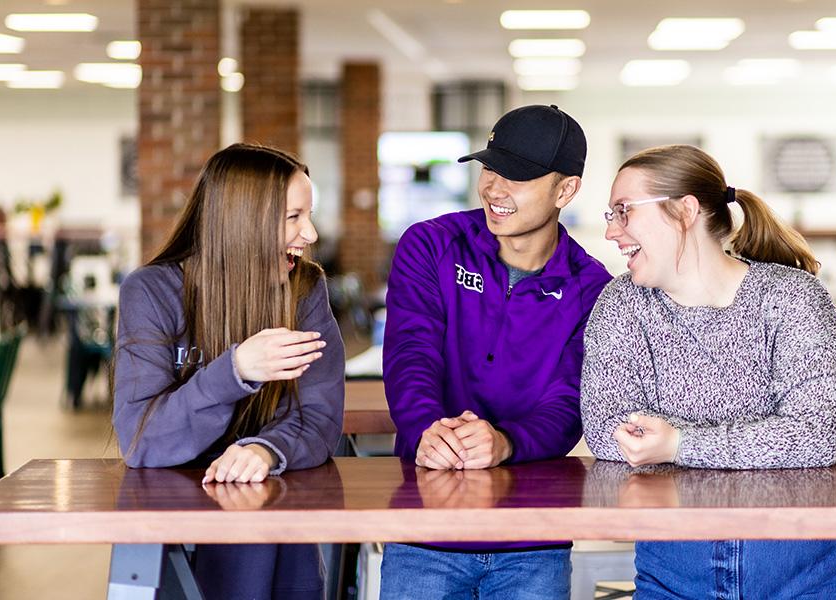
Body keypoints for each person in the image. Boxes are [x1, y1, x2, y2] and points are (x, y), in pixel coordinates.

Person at [580, 144, 836, 599]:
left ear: (685, 211)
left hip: (807, 560)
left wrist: (679, 443)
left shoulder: (793, 298)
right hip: (678, 561)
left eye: (624, 212)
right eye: (609, 214)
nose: (611, 232)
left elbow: (816, 436)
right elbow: (608, 433)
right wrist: (768, 439)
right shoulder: (621, 306)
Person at [380, 104, 612, 599]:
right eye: (490, 167)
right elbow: (411, 354)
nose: (493, 187)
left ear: (565, 190)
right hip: (426, 527)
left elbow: (570, 400)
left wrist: (506, 443)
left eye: (518, 176)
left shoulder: (594, 290)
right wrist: (427, 430)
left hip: (532, 540)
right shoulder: (430, 245)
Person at [113, 143, 345, 600]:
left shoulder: (305, 288)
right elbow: (142, 439)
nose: (311, 233)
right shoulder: (152, 291)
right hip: (175, 532)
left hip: (274, 528)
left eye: (309, 214)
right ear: (244, 222)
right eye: (293, 217)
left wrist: (265, 450)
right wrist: (236, 369)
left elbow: (319, 415)